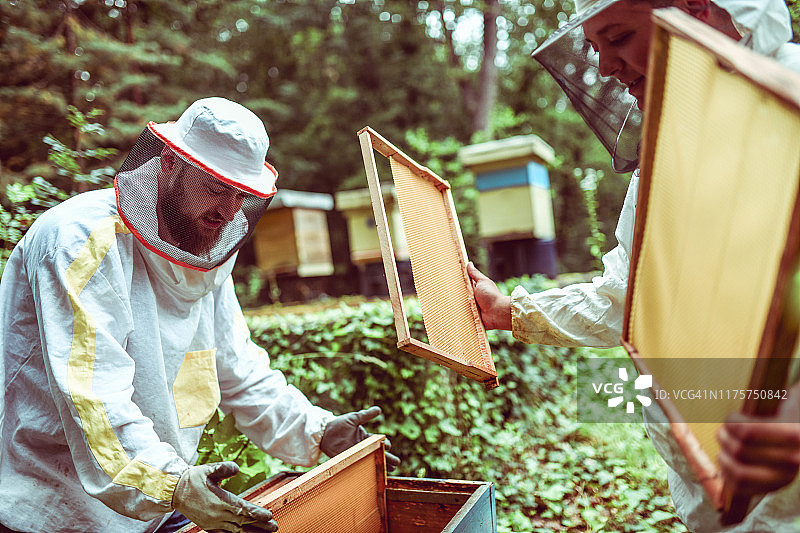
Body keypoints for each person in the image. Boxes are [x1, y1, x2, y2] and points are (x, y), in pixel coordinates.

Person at [467, 0, 800, 530]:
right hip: (720, 501)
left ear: (698, 10)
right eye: (595, 49)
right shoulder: (670, 150)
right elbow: (631, 293)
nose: (605, 68)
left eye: (618, 37)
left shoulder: (791, 105)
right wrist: (508, 310)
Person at [0, 97, 399, 533]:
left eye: (241, 195)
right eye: (215, 188)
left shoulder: (205, 253)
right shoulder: (80, 242)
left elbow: (237, 369)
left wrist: (315, 430)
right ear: (170, 164)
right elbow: (94, 397)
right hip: (56, 511)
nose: (229, 211)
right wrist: (173, 484)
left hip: (157, 502)